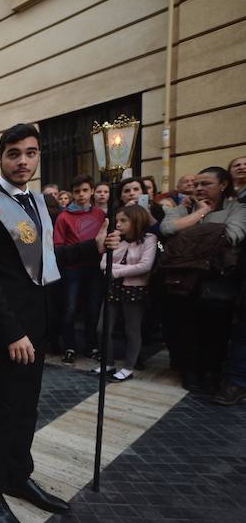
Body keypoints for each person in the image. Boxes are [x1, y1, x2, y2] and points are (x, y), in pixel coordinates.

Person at [0, 124, 71, 523]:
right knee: (3, 411)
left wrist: (96, 247)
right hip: (4, 333)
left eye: (30, 152)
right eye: (13, 154)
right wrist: (12, 332)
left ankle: (17, 476)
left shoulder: (39, 202)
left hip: (35, 328)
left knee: (27, 409)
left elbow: (45, 260)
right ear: (0, 159)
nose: (22, 161)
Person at [160, 166, 246, 393]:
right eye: (196, 184)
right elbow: (167, 229)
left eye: (205, 184)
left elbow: (232, 235)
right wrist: (199, 214)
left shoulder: (236, 208)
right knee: (186, 329)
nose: (198, 188)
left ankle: (212, 373)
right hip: (182, 280)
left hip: (218, 280)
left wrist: (187, 234)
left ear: (223, 185)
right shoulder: (184, 208)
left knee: (216, 331)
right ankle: (191, 372)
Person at [96, 205, 157, 382]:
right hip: (113, 287)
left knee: (132, 330)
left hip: (134, 289)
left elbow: (145, 266)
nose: (119, 224)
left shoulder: (149, 239)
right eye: (118, 220)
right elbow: (103, 264)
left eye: (124, 220)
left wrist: (115, 271)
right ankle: (108, 363)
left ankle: (128, 367)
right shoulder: (115, 239)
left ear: (136, 220)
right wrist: (121, 269)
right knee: (102, 328)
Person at [53, 174, 105, 364]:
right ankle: (70, 346)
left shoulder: (100, 214)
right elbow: (58, 247)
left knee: (93, 309)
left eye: (85, 190)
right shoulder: (63, 217)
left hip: (95, 268)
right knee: (70, 309)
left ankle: (91, 346)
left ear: (92, 191)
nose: (81, 195)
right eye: (77, 191)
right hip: (72, 270)